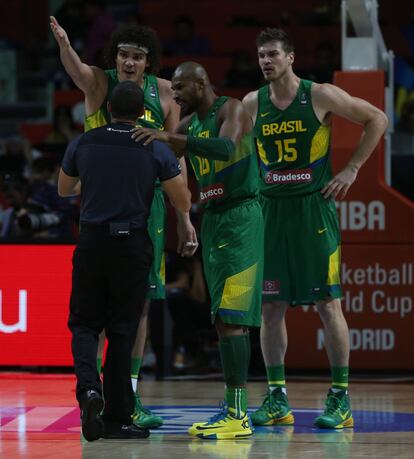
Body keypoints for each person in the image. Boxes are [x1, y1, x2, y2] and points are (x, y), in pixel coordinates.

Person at [50, 16, 198, 428]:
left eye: (137, 57)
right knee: (109, 317)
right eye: (124, 55)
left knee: (139, 310)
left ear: (148, 62)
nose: (129, 63)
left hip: (146, 205)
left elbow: (176, 157)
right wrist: (64, 42)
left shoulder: (166, 92)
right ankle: (101, 393)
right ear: (114, 57)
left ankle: (125, 395)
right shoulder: (100, 82)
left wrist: (184, 220)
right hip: (106, 199)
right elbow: (75, 70)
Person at [242, 28, 388, 429]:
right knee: (270, 308)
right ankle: (277, 398)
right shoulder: (252, 103)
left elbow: (377, 118)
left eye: (272, 54)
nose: (265, 61)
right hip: (270, 212)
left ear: (290, 58)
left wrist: (352, 168)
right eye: (260, 56)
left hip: (313, 210)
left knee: (328, 304)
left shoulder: (319, 94)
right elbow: (232, 148)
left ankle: (340, 399)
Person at [132, 61, 264, 439]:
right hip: (215, 220)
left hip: (242, 217)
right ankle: (232, 406)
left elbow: (224, 148)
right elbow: (169, 150)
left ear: (201, 83)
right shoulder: (190, 124)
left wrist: (170, 139)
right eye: (171, 87)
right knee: (222, 317)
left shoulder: (231, 109)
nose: (174, 93)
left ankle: (238, 414)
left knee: (232, 317)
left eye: (179, 86)